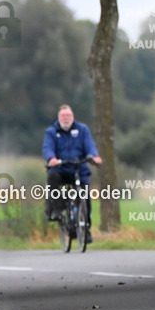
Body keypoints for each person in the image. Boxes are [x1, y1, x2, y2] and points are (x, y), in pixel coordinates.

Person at [42, 104, 102, 242]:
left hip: (79, 169)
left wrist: (94, 156)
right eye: (63, 116)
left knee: (85, 196)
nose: (66, 118)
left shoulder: (83, 130)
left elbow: (90, 146)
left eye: (68, 115)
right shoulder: (51, 132)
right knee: (52, 178)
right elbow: (47, 148)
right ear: (58, 118)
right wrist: (51, 159)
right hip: (60, 169)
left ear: (73, 117)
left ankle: (85, 229)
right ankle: (56, 210)